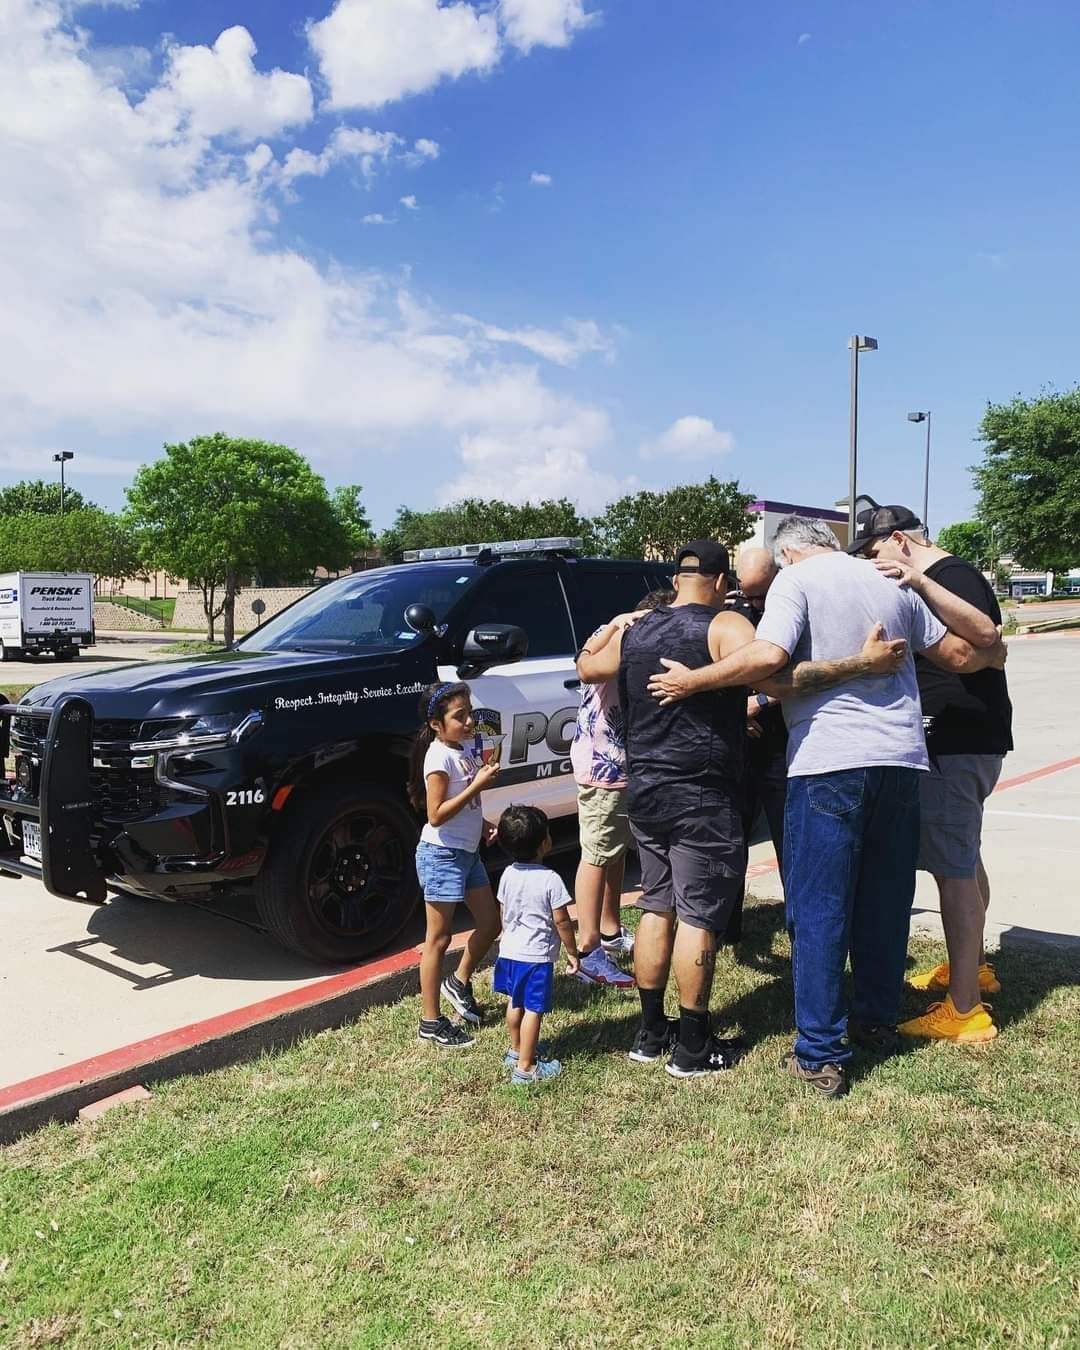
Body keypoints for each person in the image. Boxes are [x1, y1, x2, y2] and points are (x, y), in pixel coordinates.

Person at [648, 515, 1006, 1098]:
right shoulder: (890, 581)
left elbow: (767, 655)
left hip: (829, 762)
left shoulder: (798, 581)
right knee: (885, 899)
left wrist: (696, 681)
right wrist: (994, 652)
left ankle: (819, 1052)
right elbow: (966, 652)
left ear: (788, 554)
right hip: (901, 761)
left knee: (819, 908)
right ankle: (875, 1020)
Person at [850, 500, 1013, 1042]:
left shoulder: (948, 574)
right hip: (961, 741)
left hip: (956, 741)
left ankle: (964, 1010)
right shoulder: (944, 576)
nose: (875, 565)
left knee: (953, 872)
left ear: (900, 541)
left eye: (875, 553)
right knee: (964, 856)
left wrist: (918, 581)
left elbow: (983, 640)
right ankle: (973, 970)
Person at [571, 588, 674, 989]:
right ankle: (589, 950)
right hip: (604, 766)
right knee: (596, 855)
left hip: (617, 764)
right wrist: (618, 626)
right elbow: (588, 669)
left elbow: (584, 656)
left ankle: (610, 932)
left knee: (613, 852)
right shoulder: (624, 636)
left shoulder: (613, 629)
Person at [409, 681, 502, 1050]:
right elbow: (435, 815)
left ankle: (459, 981)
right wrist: (476, 785)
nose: (468, 722)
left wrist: (483, 824)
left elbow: (463, 808)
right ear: (436, 724)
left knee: (491, 922)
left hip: (466, 853)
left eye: (469, 713)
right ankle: (430, 1022)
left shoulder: (460, 749)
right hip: (441, 855)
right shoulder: (438, 758)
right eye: (458, 716)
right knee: (438, 938)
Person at [724, 547, 787, 945]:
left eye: (761, 595)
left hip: (783, 744)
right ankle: (727, 926)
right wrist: (735, 712)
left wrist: (757, 703)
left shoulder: (793, 610)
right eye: (748, 595)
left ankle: (800, 921)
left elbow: (805, 673)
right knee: (731, 840)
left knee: (790, 842)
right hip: (739, 747)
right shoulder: (732, 616)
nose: (755, 604)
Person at [493, 805, 580, 1085]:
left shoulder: (507, 874)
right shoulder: (550, 880)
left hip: (509, 951)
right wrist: (571, 951)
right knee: (534, 1009)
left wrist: (507, 935)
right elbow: (562, 921)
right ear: (544, 843)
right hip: (536, 956)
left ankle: (517, 1049)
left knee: (514, 1002)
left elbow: (503, 910)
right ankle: (527, 1067)